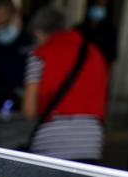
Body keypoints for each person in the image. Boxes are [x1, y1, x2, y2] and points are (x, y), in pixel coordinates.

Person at [23, 5, 108, 162]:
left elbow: (29, 110)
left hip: (52, 141)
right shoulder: (95, 53)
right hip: (91, 142)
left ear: (38, 32)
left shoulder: (39, 56)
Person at [76, 0, 117, 66]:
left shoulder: (110, 34)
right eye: (97, 4)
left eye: (102, 6)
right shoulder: (78, 30)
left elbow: (110, 61)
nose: (98, 8)